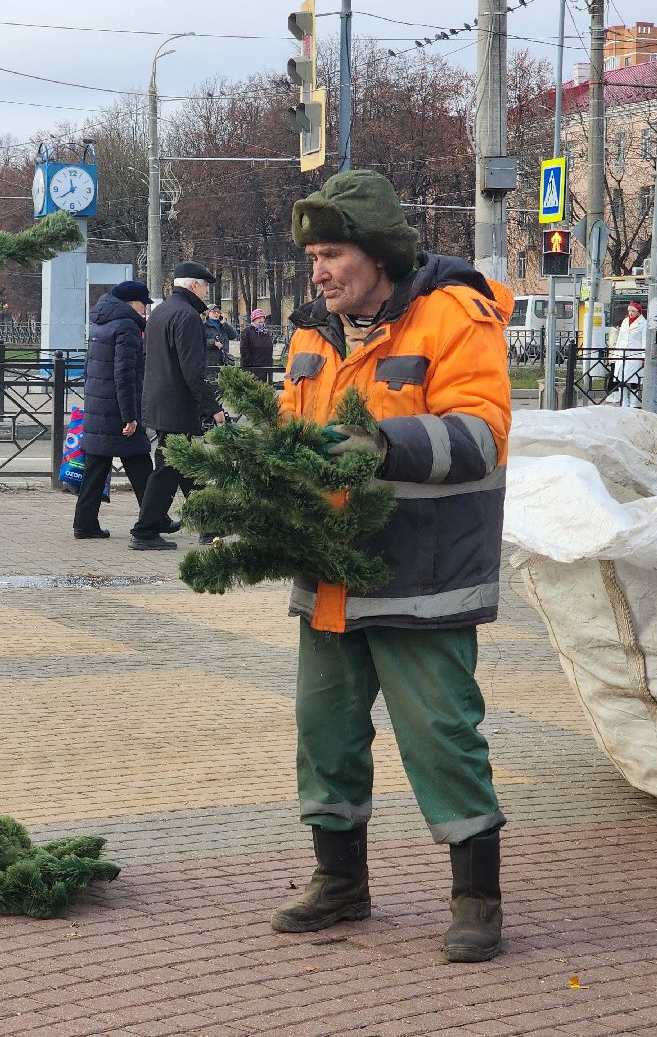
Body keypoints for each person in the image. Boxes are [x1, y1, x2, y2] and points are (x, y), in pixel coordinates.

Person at [272, 169, 513, 963]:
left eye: (333, 252)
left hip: (424, 577)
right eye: (313, 255)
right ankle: (340, 883)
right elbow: (289, 432)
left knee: (442, 737)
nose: (319, 270)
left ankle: (477, 898)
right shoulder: (311, 331)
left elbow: (482, 434)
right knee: (325, 737)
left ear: (376, 253)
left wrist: (381, 445)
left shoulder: (454, 314)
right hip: (330, 578)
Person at [130, 260, 225, 551]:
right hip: (176, 404)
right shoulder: (187, 317)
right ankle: (144, 530)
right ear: (194, 286)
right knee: (171, 467)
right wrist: (212, 406)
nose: (207, 293)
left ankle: (208, 524)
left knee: (183, 465)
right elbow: (192, 370)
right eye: (205, 287)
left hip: (159, 401)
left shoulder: (163, 311)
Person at [73, 280, 154, 539]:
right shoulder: (127, 326)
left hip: (99, 407)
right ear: (131, 303)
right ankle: (154, 518)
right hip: (119, 410)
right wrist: (130, 416)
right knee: (141, 462)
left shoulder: (101, 323)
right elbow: (125, 374)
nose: (145, 310)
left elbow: (89, 368)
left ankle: (84, 524)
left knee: (97, 467)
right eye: (143, 304)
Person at [611, 302, 647, 407]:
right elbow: (621, 338)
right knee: (620, 378)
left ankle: (634, 403)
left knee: (634, 379)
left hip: (635, 355)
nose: (631, 313)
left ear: (638, 312)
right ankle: (624, 402)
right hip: (622, 354)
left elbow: (644, 340)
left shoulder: (643, 323)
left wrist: (643, 356)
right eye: (629, 311)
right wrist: (616, 353)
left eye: (633, 311)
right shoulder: (625, 321)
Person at [239, 307, 276, 380]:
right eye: (258, 318)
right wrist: (248, 366)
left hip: (266, 366)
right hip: (253, 367)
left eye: (262, 318)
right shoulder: (247, 331)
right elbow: (244, 350)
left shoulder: (266, 332)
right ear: (254, 319)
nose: (261, 320)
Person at [203, 304, 237, 369]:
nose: (216, 313)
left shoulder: (223, 325)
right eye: (214, 311)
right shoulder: (203, 326)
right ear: (208, 313)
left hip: (225, 361)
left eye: (218, 312)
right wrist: (213, 343)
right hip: (210, 362)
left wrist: (225, 323)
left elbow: (233, 336)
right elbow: (199, 341)